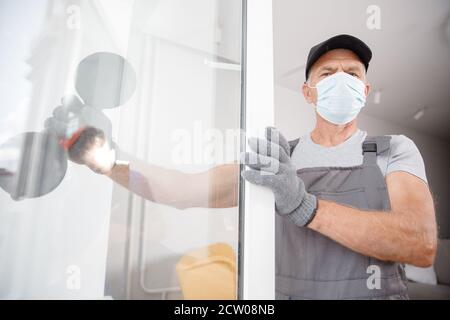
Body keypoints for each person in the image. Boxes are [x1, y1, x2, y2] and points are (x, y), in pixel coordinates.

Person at [48, 34, 437, 300]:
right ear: (308, 91)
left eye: (352, 74)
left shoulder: (392, 150)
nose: (341, 81)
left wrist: (307, 208)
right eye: (327, 74)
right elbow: (181, 190)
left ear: (365, 92)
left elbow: (420, 245)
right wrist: (108, 159)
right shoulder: (277, 159)